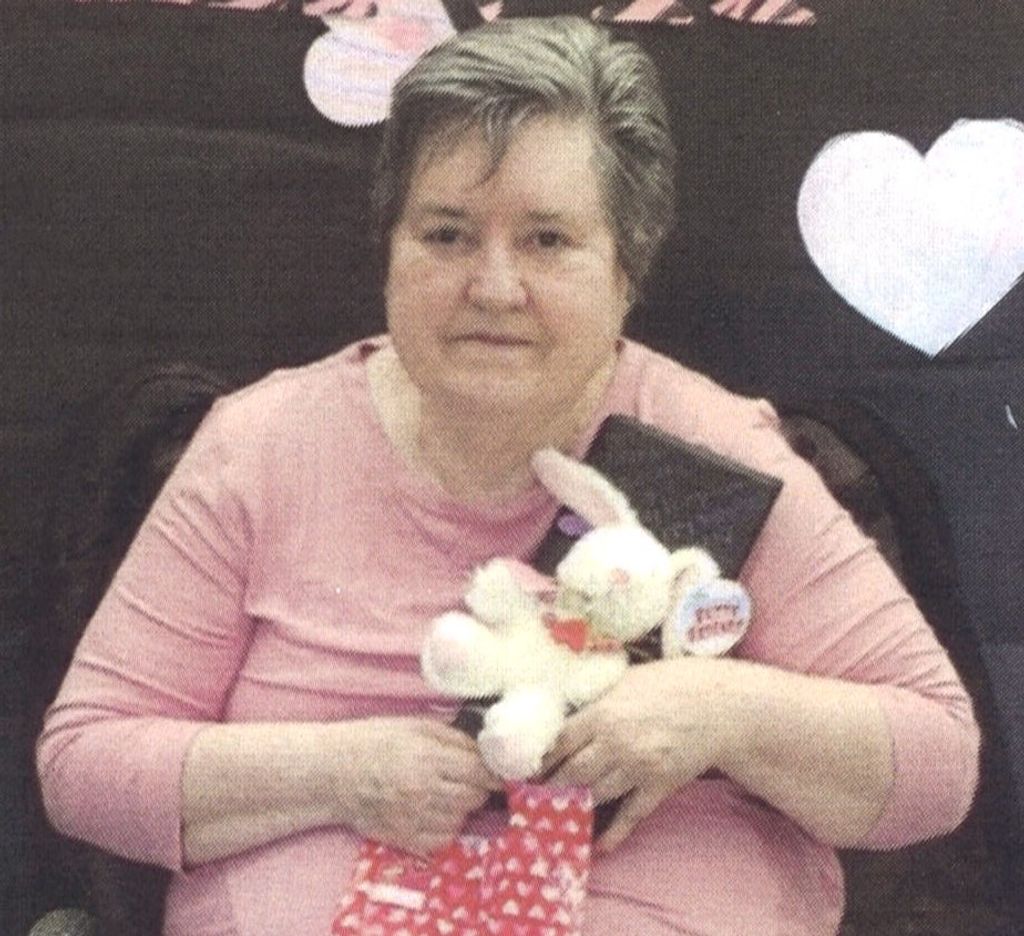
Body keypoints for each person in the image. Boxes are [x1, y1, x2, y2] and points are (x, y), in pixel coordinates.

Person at [37, 16, 980, 936]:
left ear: (626, 270)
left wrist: (722, 713)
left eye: (547, 240)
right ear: (389, 251)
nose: (493, 288)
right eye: (446, 235)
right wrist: (338, 773)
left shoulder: (711, 450)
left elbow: (938, 764)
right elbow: (84, 762)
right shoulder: (262, 445)